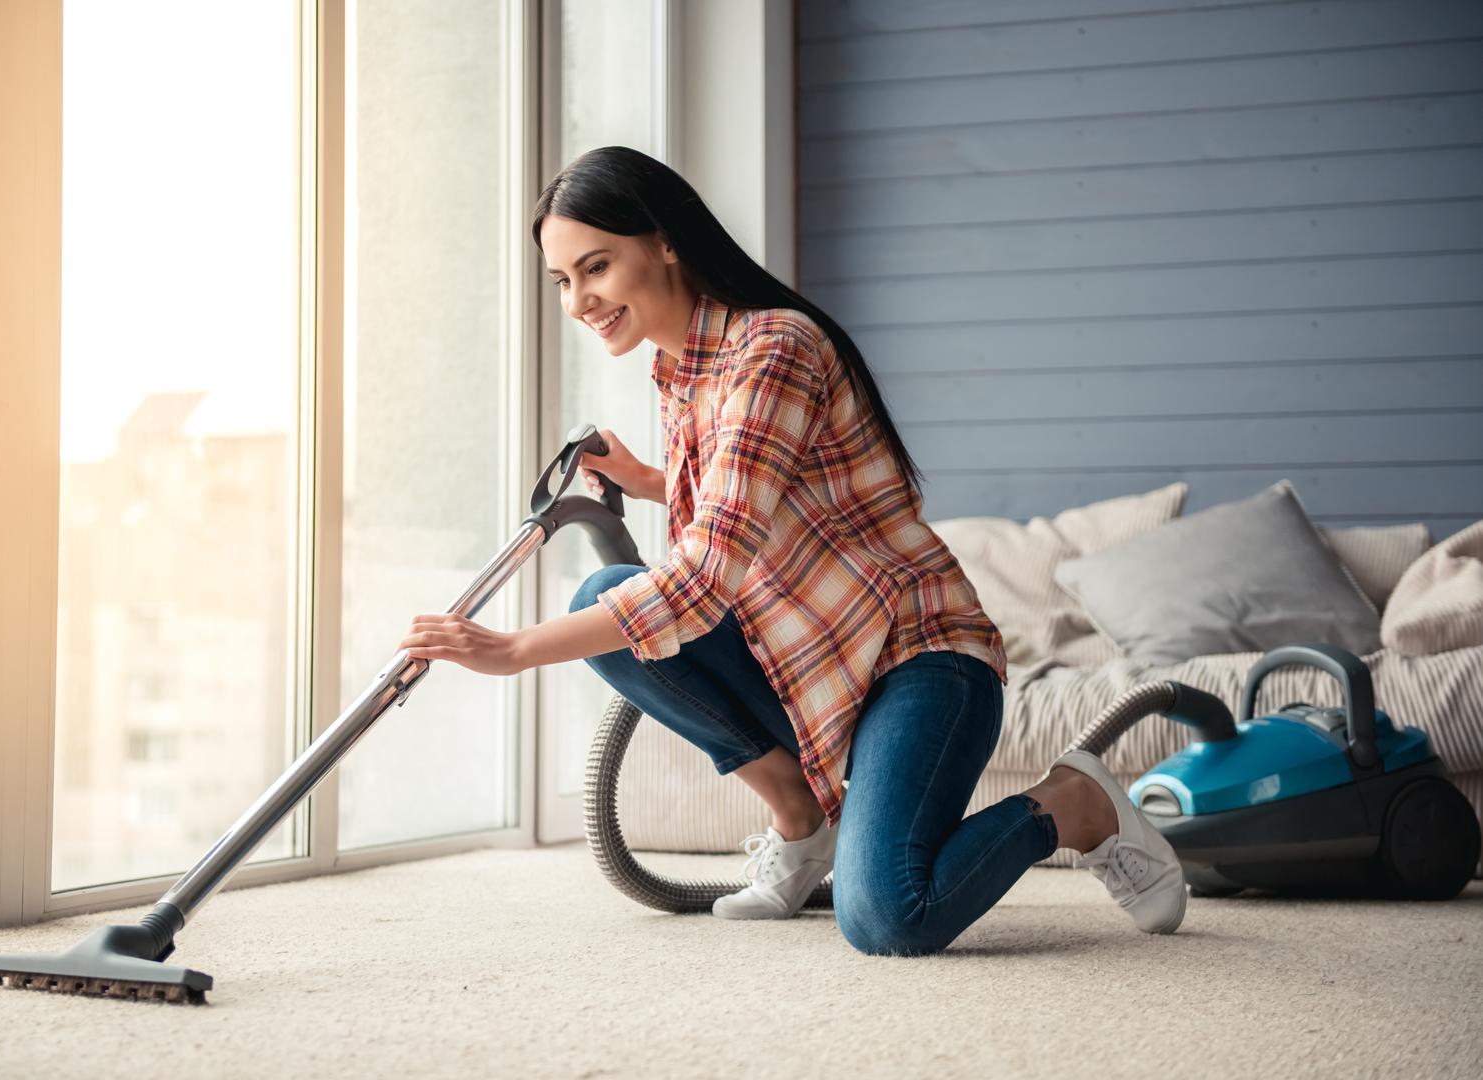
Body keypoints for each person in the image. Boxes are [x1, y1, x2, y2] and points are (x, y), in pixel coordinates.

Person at [397, 146, 1186, 954]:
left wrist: (513, 649)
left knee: (889, 918)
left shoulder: (775, 347)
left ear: (665, 240)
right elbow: (763, 503)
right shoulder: (677, 369)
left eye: (594, 267)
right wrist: (644, 478)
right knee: (602, 590)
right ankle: (802, 820)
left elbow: (704, 580)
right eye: (562, 281)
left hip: (917, 659)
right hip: (805, 659)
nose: (579, 301)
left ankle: (1075, 804)